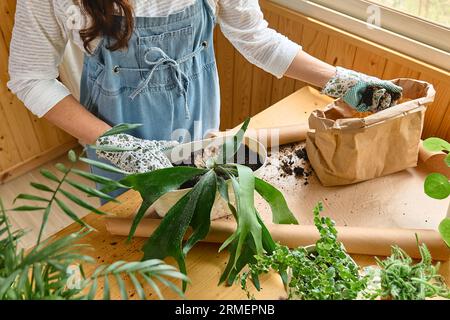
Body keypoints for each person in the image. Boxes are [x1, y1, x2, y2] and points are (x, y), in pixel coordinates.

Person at [8, 0, 401, 193]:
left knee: (199, 198)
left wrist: (340, 81)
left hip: (195, 108)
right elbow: (30, 77)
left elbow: (257, 38)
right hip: (112, 128)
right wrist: (118, 145)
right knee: (136, 233)